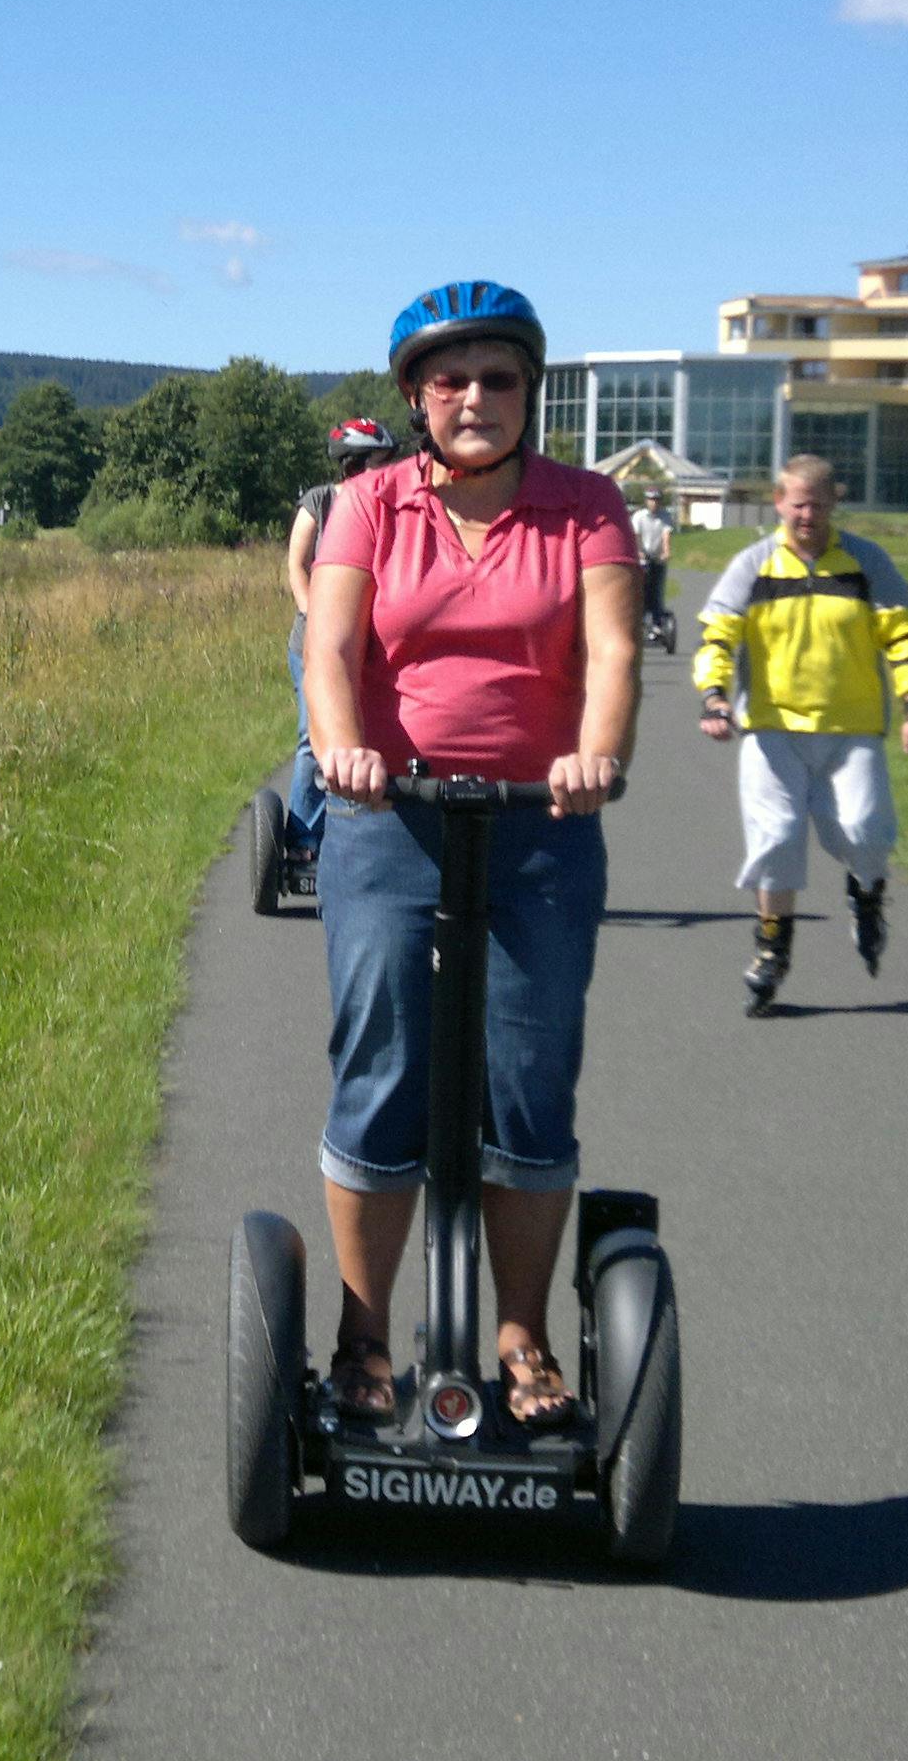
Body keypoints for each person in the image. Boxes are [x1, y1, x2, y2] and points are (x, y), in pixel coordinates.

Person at [300, 282, 637, 1427]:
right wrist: (342, 753)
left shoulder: (587, 507)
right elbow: (331, 652)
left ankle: (524, 1336)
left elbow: (611, 656)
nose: (476, 398)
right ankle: (361, 1339)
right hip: (390, 820)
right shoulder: (369, 508)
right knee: (382, 1067)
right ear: (414, 398)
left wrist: (592, 757)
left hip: (541, 827)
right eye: (451, 380)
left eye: (499, 378)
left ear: (530, 391)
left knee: (527, 1082)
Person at [691, 455, 908, 1016]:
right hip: (772, 730)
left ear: (834, 505)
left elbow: (901, 637)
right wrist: (714, 696)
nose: (808, 515)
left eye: (819, 505)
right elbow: (717, 636)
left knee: (866, 832)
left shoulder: (866, 562)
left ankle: (867, 894)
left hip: (852, 728)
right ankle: (772, 949)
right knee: (774, 840)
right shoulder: (753, 563)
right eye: (798, 504)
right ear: (779, 501)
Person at [280, 416, 403, 871]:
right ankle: (303, 842)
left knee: (377, 734)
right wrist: (316, 616)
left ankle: (371, 836)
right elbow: (297, 563)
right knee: (316, 740)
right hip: (314, 643)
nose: (388, 469)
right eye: (379, 462)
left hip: (373, 643)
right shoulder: (321, 501)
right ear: (354, 464)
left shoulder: (391, 505)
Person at [628, 486, 677, 641]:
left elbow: (666, 536)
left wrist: (666, 552)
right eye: (651, 500)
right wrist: (639, 551)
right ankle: (639, 621)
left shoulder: (665, 517)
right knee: (641, 589)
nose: (653, 503)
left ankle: (657, 623)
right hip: (642, 559)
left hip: (657, 558)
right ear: (646, 501)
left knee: (657, 591)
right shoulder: (639, 517)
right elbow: (636, 536)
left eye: (656, 500)